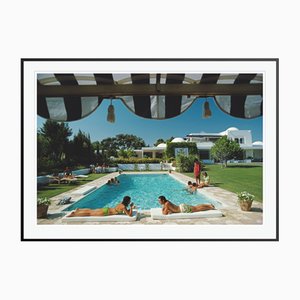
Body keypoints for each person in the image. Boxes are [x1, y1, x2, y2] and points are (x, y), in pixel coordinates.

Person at [67, 196, 135, 217]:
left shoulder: (121, 204)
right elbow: (129, 215)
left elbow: (126, 211)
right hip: (106, 212)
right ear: (127, 201)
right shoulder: (123, 207)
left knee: (91, 210)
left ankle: (79, 209)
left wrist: (130, 209)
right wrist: (131, 208)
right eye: (129, 201)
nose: (130, 202)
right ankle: (74, 214)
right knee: (90, 214)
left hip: (107, 209)